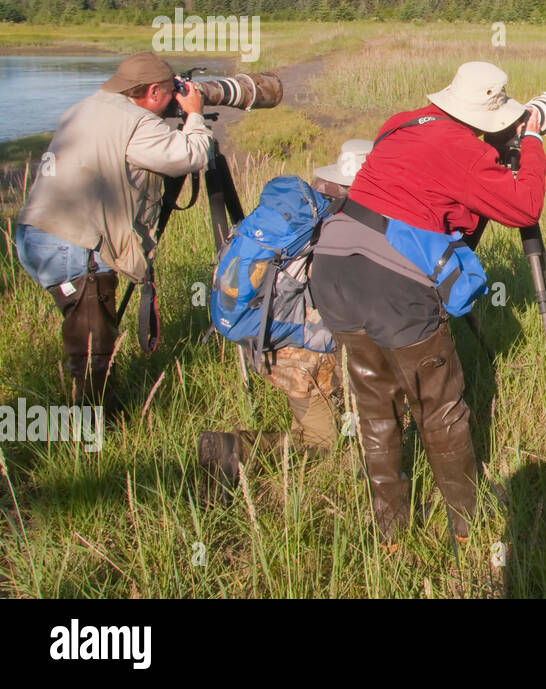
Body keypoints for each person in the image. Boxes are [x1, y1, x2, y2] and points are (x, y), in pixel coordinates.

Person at [309, 62, 546, 544]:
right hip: (393, 287)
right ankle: (466, 523)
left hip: (333, 267)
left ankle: (391, 532)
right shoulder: (463, 149)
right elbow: (523, 206)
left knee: (376, 408)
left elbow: (430, 199)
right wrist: (533, 141)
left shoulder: (398, 122)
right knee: (440, 408)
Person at [15, 52, 212, 410]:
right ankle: (91, 431)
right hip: (73, 245)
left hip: (35, 235)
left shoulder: (87, 106)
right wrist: (195, 114)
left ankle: (103, 405)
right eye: (172, 92)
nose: (175, 98)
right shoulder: (137, 123)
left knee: (94, 331)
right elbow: (193, 155)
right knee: (92, 348)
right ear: (152, 92)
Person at [196, 139, 374, 488]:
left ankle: (283, 454)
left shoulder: (310, 205)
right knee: (321, 444)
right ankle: (231, 449)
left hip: (267, 335)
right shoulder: (341, 223)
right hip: (300, 353)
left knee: (313, 420)